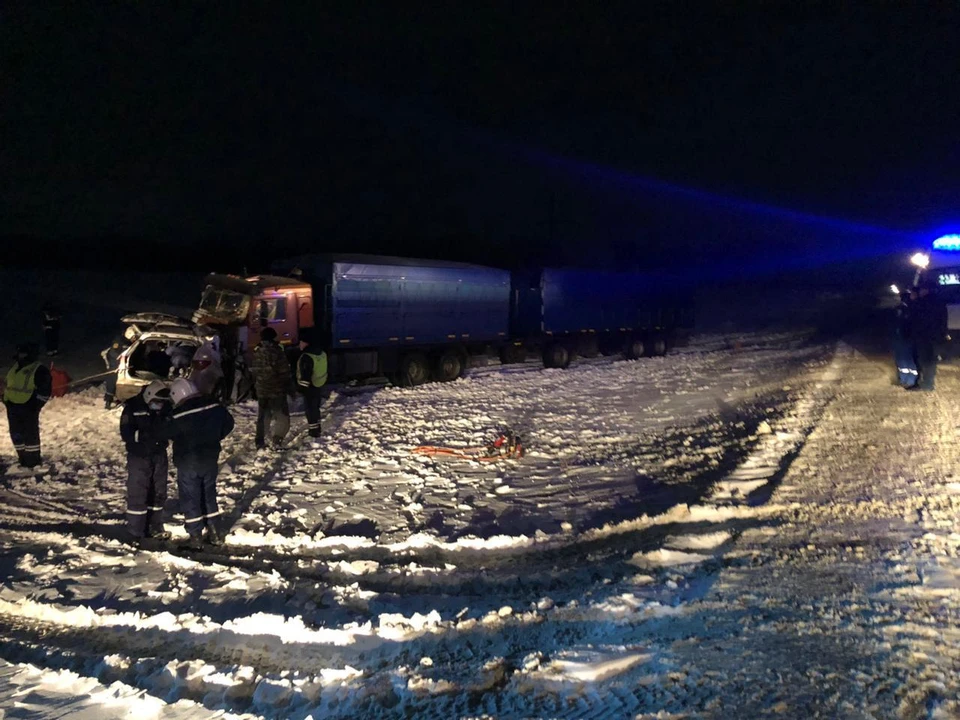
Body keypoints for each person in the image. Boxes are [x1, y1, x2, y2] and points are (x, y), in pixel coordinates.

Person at [161, 378, 234, 549]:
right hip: (210, 458)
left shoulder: (178, 414)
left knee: (190, 498)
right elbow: (229, 423)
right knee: (209, 494)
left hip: (188, 462)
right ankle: (215, 532)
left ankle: (195, 538)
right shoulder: (212, 405)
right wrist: (214, 437)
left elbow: (165, 432)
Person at [120, 381, 172, 542]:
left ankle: (154, 526)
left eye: (162, 403)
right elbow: (126, 433)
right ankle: (136, 531)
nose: (159, 405)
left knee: (158, 491)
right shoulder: (133, 408)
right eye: (157, 402)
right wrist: (146, 436)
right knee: (138, 492)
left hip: (158, 455)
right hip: (139, 456)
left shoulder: (165, 408)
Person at [3, 343, 52, 469]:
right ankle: (22, 458)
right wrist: (5, 399)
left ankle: (33, 462)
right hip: (12, 406)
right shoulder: (15, 367)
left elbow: (45, 391)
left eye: (23, 353)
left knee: (30, 435)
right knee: (16, 433)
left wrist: (34, 406)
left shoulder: (39, 370)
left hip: (28, 407)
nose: (21, 356)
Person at [252, 327, 293, 449]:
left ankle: (259, 441)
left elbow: (254, 371)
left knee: (263, 416)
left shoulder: (257, 351)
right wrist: (290, 388)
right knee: (282, 416)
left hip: (262, 390)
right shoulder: (277, 352)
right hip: (277, 390)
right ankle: (277, 440)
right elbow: (284, 372)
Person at [909, 279, 948, 391]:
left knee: (924, 360)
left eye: (921, 290)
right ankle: (928, 383)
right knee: (931, 360)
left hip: (923, 336)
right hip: (935, 336)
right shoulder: (940, 302)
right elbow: (943, 320)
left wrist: (913, 301)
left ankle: (926, 384)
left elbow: (914, 318)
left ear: (925, 290)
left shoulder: (921, 302)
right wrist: (943, 334)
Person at [296, 330, 328, 439]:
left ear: (306, 343)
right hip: (319, 384)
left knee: (310, 409)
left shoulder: (306, 357)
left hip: (310, 387)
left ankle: (313, 432)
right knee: (316, 407)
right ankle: (317, 428)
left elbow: (306, 375)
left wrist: (301, 389)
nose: (300, 344)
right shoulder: (321, 353)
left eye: (301, 342)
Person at [893, 290, 918, 388]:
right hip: (908, 337)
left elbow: (896, 324)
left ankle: (906, 380)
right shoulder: (913, 308)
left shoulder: (901, 309)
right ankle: (909, 380)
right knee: (907, 359)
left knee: (903, 359)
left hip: (903, 338)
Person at [101, 336, 127, 409]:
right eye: (114, 344)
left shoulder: (123, 350)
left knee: (119, 386)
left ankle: (118, 400)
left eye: (117, 344)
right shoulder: (112, 351)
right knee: (111, 386)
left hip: (120, 371)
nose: (115, 346)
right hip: (112, 371)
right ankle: (108, 402)